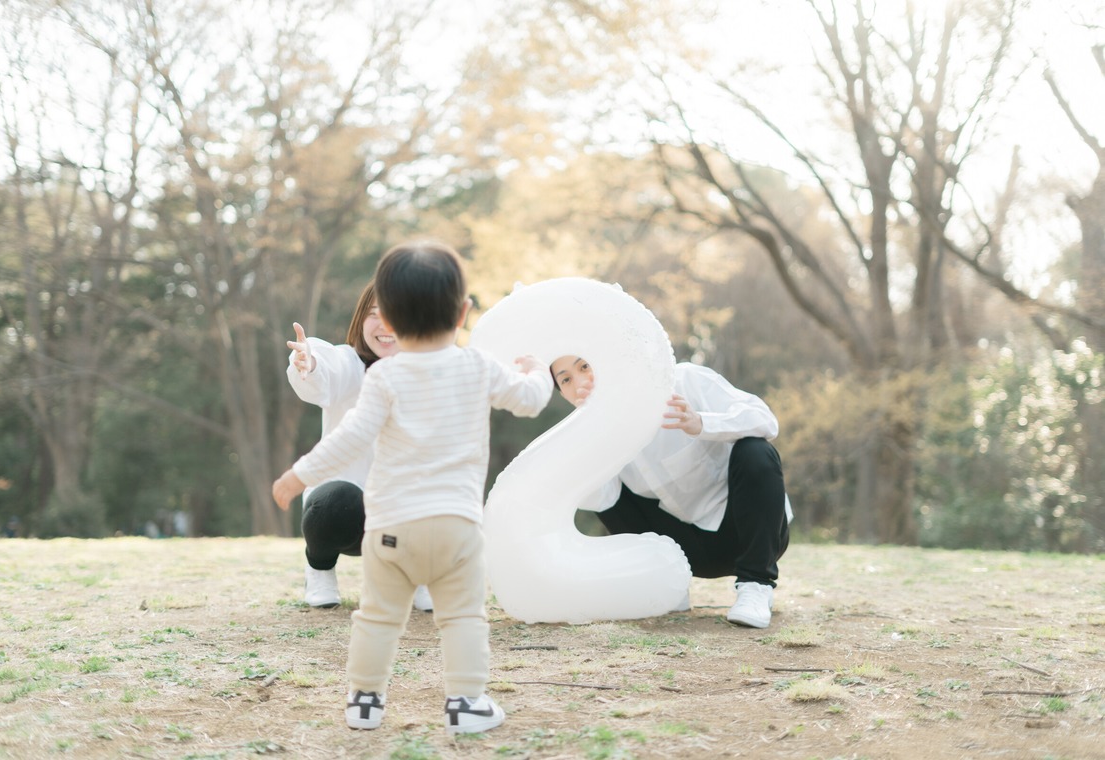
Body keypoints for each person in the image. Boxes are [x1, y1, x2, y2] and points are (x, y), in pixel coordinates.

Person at [273, 240, 553, 734]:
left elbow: (348, 438)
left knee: (378, 619)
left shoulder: (384, 379)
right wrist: (536, 370)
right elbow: (529, 400)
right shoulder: (478, 366)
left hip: (388, 531)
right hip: (456, 530)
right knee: (463, 619)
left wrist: (299, 475)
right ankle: (467, 704)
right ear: (463, 312)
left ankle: (364, 702)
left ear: (393, 318)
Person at [550, 355, 791, 629]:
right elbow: (600, 501)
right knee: (606, 491)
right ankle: (666, 585)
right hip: (688, 553)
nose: (582, 381)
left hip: (748, 535)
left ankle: (756, 586)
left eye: (585, 366)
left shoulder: (684, 379)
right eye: (566, 379)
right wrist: (593, 433)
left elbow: (765, 421)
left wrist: (700, 422)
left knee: (756, 450)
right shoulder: (591, 431)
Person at [284, 281, 434, 612]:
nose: (385, 326)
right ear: (360, 320)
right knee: (335, 501)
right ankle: (319, 569)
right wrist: (308, 364)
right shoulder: (348, 364)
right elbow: (323, 370)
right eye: (374, 315)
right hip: (348, 514)